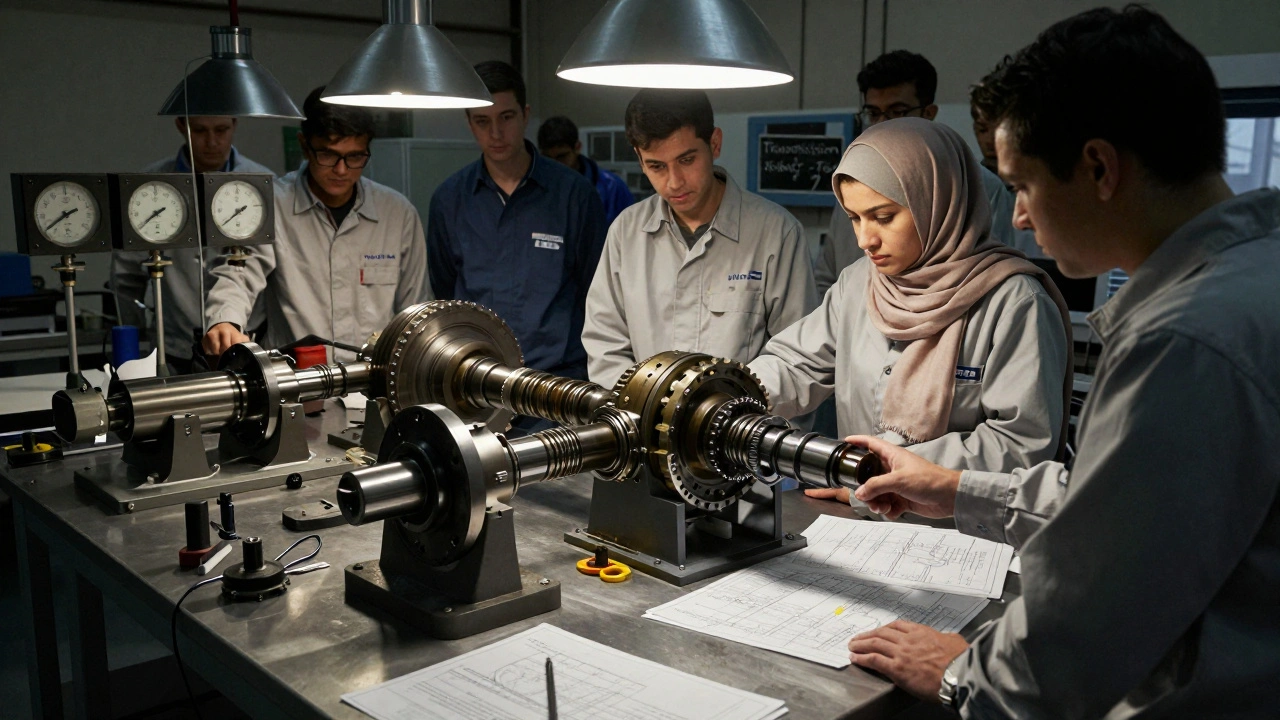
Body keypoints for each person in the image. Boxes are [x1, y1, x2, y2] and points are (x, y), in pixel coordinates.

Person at [842, 7, 1280, 717]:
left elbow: (1090, 606)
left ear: (1098, 168)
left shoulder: (1184, 340)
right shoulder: (1254, 274)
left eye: (1022, 185)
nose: (1018, 217)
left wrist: (965, 678)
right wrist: (955, 489)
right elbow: (1120, 504)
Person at [750, 118, 1071, 507]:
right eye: (855, 218)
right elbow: (794, 366)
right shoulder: (857, 284)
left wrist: (882, 470)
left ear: (935, 203)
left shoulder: (1015, 303)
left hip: (961, 528)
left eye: (883, 217)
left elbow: (1021, 446)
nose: (865, 239)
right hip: (864, 512)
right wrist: (728, 392)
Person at [581, 90, 817, 389]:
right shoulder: (626, 232)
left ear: (714, 143)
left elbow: (795, 358)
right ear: (639, 159)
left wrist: (729, 410)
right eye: (656, 166)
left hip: (742, 417)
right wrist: (645, 407)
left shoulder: (777, 233)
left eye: (687, 159)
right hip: (642, 418)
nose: (674, 182)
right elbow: (606, 344)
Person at [427, 61, 607, 428]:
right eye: (482, 121)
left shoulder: (574, 195)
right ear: (469, 123)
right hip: (474, 388)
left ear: (525, 115)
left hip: (556, 388)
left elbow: (597, 295)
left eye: (506, 117)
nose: (496, 133)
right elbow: (445, 293)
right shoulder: (449, 200)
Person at [203, 87, 429, 363]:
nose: (341, 170)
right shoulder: (270, 207)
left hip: (374, 377)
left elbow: (416, 311)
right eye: (328, 155)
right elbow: (238, 274)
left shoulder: (397, 214)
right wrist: (225, 321)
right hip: (296, 379)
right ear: (304, 146)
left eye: (355, 156)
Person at [816, 51, 1037, 298]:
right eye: (873, 113)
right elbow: (826, 280)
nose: (882, 124)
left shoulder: (979, 186)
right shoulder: (853, 184)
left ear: (929, 113)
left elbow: (992, 280)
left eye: (897, 112)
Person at [112, 115, 273, 373]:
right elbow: (126, 275)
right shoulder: (149, 187)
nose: (212, 142)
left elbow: (266, 267)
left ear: (234, 123)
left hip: (244, 342)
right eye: (199, 130)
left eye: (221, 130)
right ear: (181, 125)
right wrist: (132, 342)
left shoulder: (262, 182)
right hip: (173, 346)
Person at [537, 115, 635, 227]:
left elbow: (631, 230)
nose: (555, 164)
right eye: (548, 158)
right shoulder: (536, 188)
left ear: (577, 147)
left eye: (562, 156)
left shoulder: (612, 188)